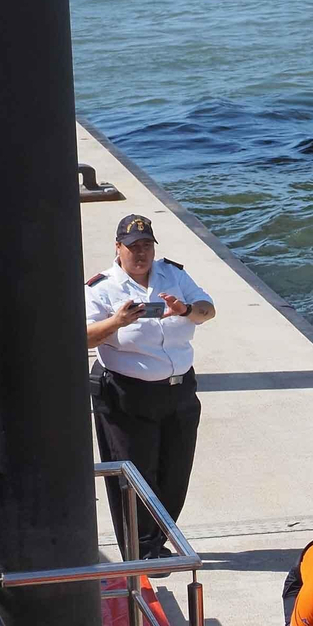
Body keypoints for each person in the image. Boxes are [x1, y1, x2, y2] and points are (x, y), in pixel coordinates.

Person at [85, 214, 216, 558]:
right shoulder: (102, 287)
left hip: (179, 390)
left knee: (175, 472)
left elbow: (208, 310)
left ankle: (158, 539)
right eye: (132, 247)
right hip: (128, 395)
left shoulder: (173, 274)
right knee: (136, 477)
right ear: (118, 248)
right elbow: (79, 337)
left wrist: (185, 309)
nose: (140, 254)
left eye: (146, 246)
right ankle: (142, 550)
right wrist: (117, 321)